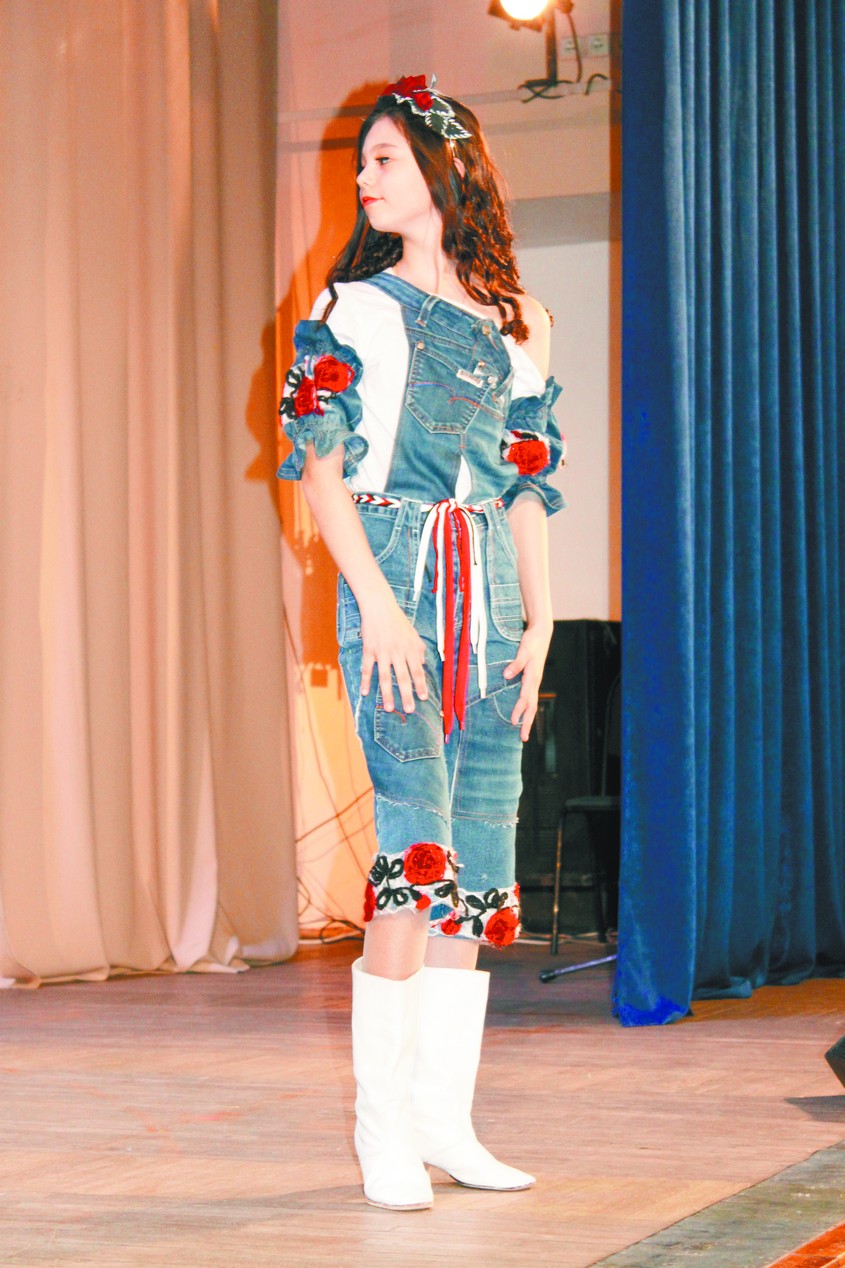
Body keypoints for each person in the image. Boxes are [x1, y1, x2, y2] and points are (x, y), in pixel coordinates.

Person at [277, 74, 565, 1211]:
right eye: (363, 162)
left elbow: (526, 484)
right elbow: (318, 474)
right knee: (414, 854)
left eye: (385, 158)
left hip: (489, 594)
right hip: (390, 578)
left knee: (477, 867)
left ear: (446, 167)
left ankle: (447, 1121)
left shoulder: (519, 319)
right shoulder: (349, 308)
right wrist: (380, 605)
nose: (364, 177)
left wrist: (541, 617)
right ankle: (382, 1130)